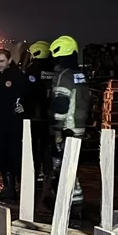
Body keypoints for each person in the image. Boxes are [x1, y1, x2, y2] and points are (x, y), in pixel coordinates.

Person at [48, 35, 88, 210]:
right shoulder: (80, 75)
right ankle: (75, 202)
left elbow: (61, 105)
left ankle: (68, 204)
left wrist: (57, 132)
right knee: (71, 165)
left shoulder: (63, 75)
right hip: (79, 127)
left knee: (62, 166)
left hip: (66, 129)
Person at [0, 47, 26, 202]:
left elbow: (30, 95)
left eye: (1, 61)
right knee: (1, 154)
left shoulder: (18, 76)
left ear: (9, 60)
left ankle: (20, 186)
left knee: (14, 154)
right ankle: (8, 188)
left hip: (14, 122)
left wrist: (24, 107)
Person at [24, 40, 55, 182]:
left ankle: (36, 172)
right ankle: (49, 171)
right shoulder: (54, 68)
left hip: (35, 114)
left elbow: (27, 92)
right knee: (48, 145)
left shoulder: (32, 69)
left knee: (34, 145)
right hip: (51, 114)